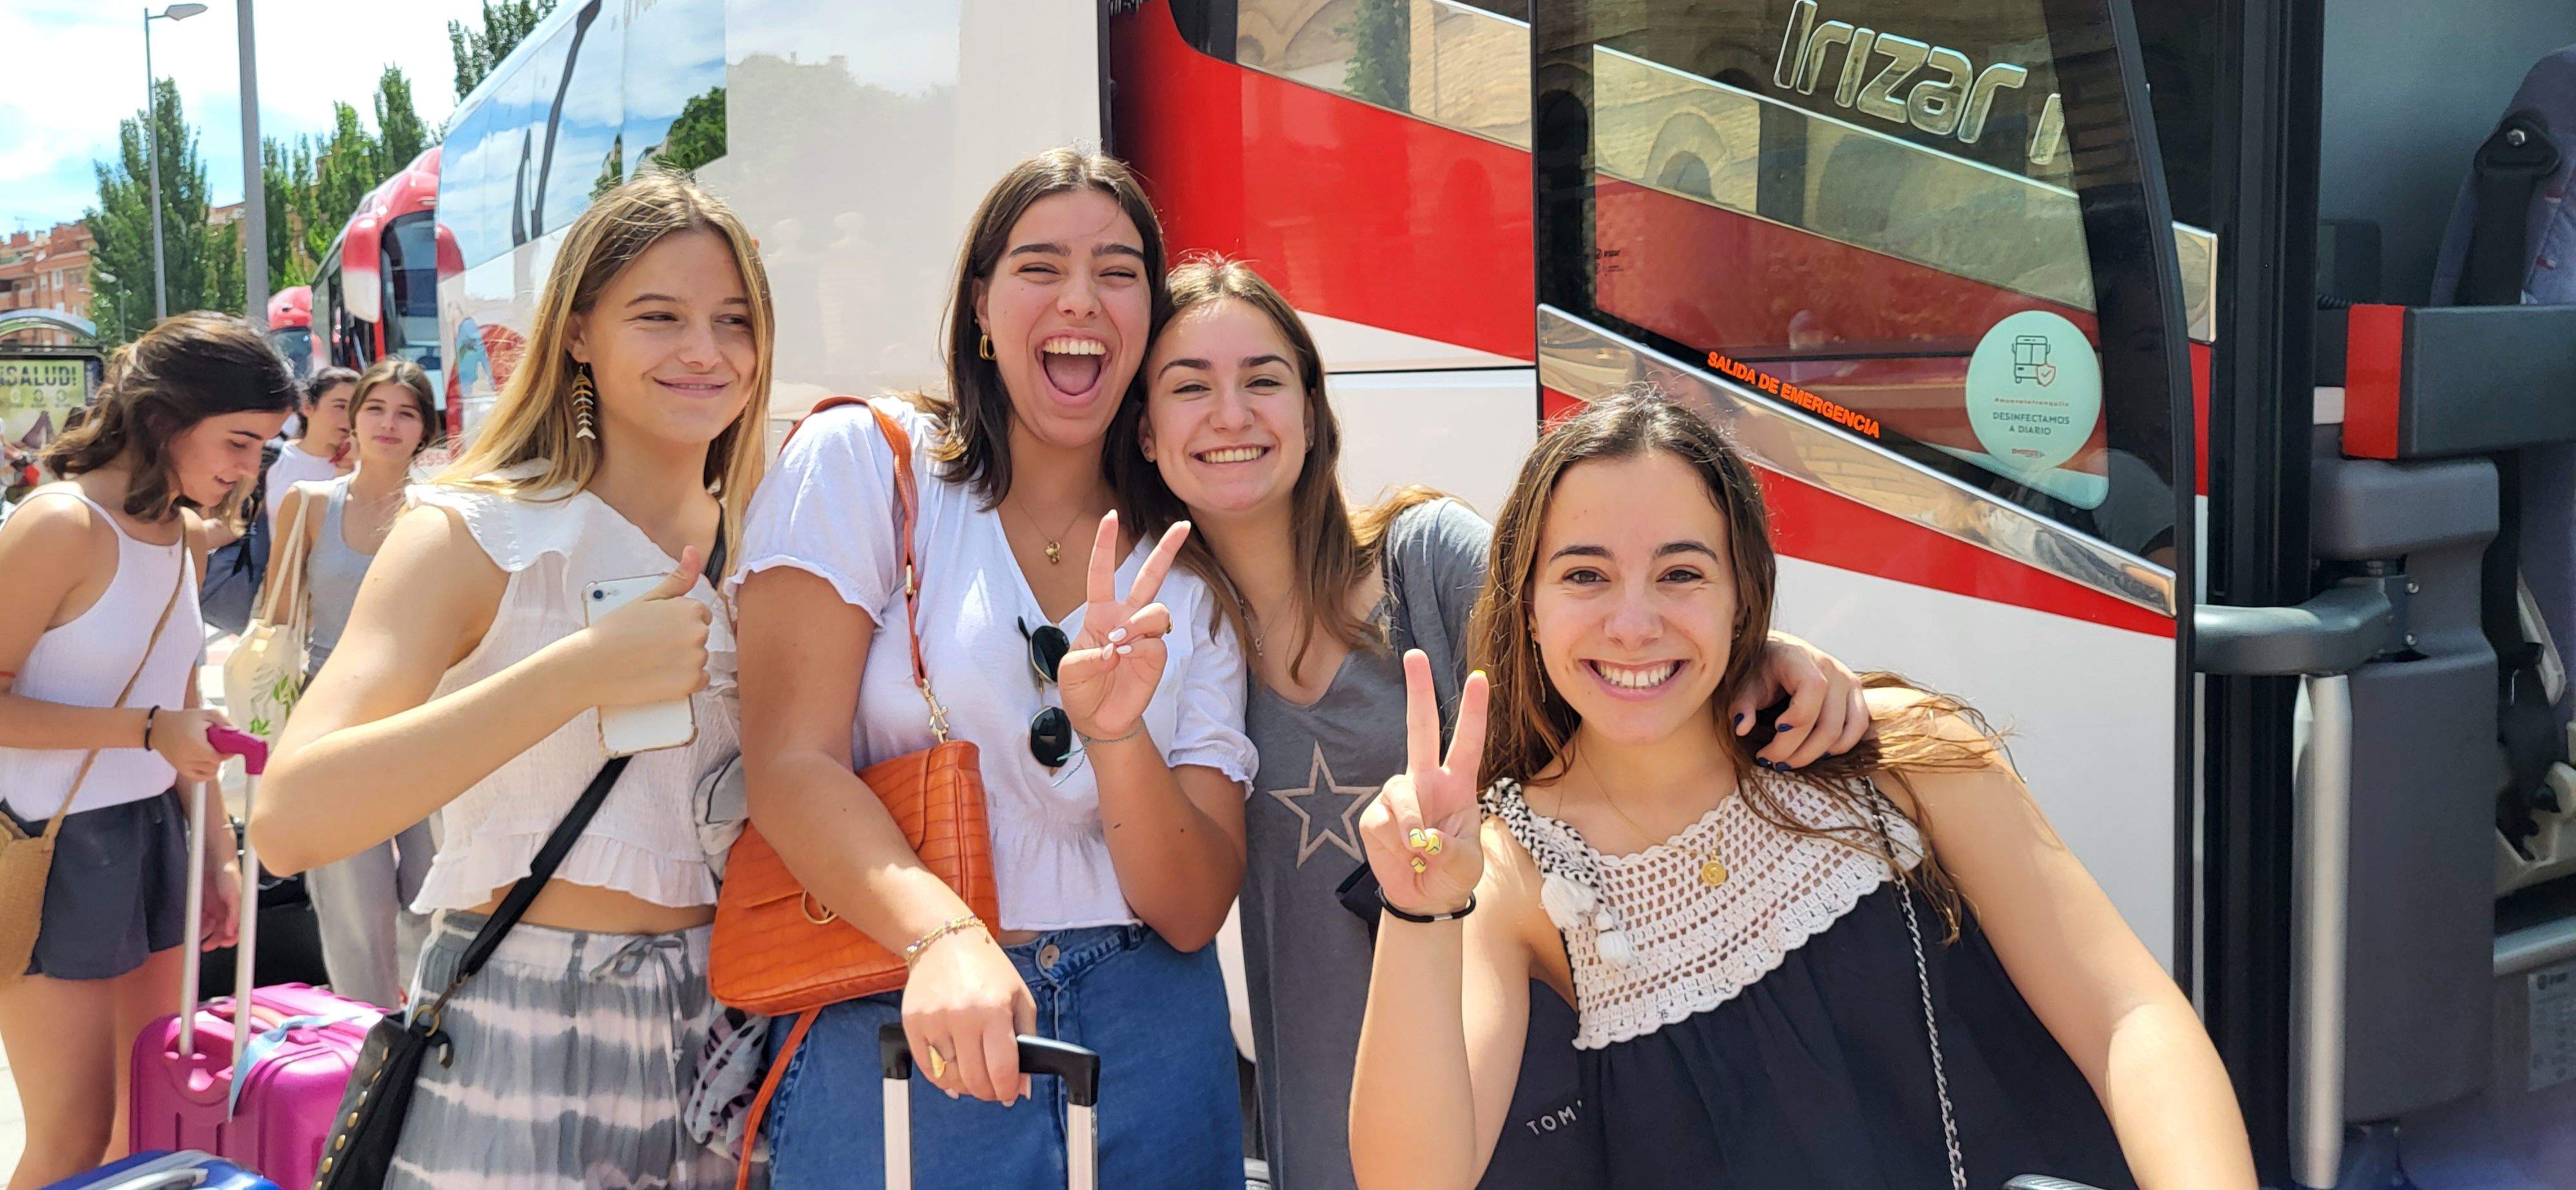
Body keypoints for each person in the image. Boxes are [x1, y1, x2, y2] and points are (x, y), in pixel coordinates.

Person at [1346, 388, 2259, 1189]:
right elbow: (1413, 1180)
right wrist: (1418, 912)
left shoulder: (1895, 752)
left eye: (1681, 574)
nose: (1634, 622)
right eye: (1585, 575)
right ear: (1528, 606)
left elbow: (2127, 1018)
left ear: (1745, 594)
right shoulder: (1510, 870)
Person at [1117, 258, 1875, 1189]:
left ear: (1313, 415)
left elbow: (1602, 636)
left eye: (1264, 380)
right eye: (1190, 387)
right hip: (1324, 1134)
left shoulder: (1421, 561)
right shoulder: (1180, 649)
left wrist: (1767, 650)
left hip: (1524, 1113)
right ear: (1147, 433)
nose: (1230, 414)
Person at [734, 148, 1253, 1189]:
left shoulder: (1191, 562)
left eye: (1118, 270)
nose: (1081, 297)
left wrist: (1114, 732)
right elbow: (789, 762)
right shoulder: (863, 463)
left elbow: (1191, 908)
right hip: (903, 999)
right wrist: (947, 937)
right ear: (980, 306)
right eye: (1039, 264)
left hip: (1151, 1027)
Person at [248, 171, 771, 1189]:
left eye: (734, 321)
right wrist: (576, 672)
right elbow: (292, 817)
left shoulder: (773, 541)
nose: (706, 350)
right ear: (577, 333)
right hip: (527, 1021)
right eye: (658, 316)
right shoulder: (472, 532)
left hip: (736, 1031)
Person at [0, 312, 297, 1187]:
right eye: (240, 442)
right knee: (73, 1137)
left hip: (153, 836)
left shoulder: (182, 536)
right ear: (166, 417)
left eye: (264, 449)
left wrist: (221, 854)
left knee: (150, 1124)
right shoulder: (60, 525)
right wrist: (142, 732)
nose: (248, 470)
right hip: (46, 847)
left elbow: (186, 706)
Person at [263, 357, 440, 1010]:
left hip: (423, 720)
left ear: (425, 427)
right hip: (329, 720)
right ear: (351, 418)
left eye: (406, 412)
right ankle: (364, 1057)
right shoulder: (307, 504)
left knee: (433, 897)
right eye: (375, 409)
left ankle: (427, 1041)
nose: (388, 425)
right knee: (352, 909)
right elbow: (277, 617)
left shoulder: (443, 508)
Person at [264, 367, 355, 541]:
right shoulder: (273, 458)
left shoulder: (364, 467)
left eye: (357, 408)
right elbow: (235, 524)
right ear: (308, 407)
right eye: (340, 406)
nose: (350, 417)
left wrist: (346, 472)